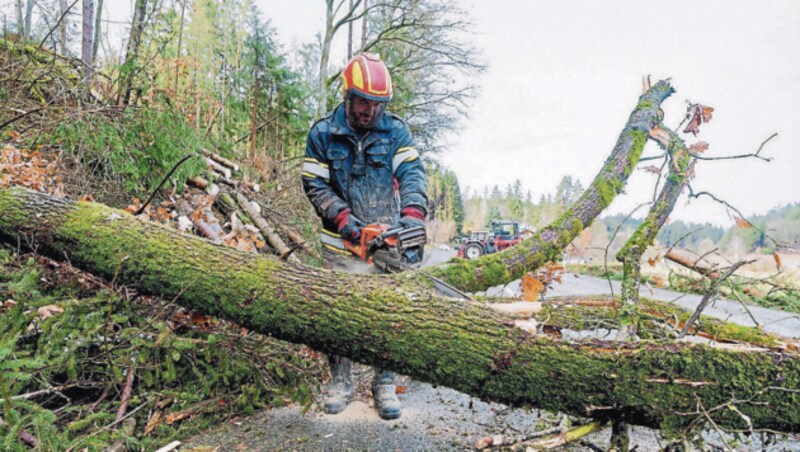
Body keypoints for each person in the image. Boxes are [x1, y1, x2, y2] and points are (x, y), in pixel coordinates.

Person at [301, 52, 428, 420]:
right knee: (336, 315)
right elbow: (314, 182)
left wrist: (412, 216)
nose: (369, 111)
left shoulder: (396, 132)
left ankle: (383, 382)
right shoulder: (322, 133)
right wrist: (342, 219)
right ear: (348, 96)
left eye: (376, 104)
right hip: (339, 245)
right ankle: (341, 380)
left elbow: (413, 175)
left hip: (384, 246)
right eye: (363, 102)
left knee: (387, 316)